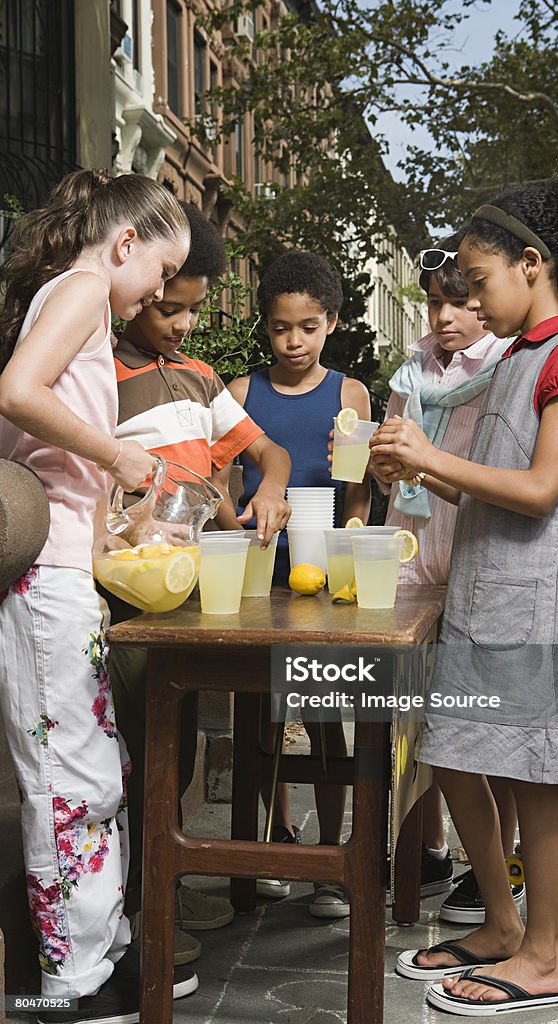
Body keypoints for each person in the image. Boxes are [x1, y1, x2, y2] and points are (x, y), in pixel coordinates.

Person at [371, 147, 558, 1015]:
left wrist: (429, 457)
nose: (463, 298)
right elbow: (483, 469)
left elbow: (539, 491)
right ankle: (499, 925)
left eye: (475, 278)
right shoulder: (515, 353)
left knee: (535, 778)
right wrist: (412, 461)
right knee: (452, 753)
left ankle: (542, 954)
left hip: (540, 607)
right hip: (485, 594)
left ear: (531, 265)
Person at [0, 169, 198, 1024]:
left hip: (64, 573)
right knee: (69, 775)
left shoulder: (71, 293)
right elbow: (15, 392)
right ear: (124, 245)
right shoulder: (82, 287)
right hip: (44, 582)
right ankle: (73, 982)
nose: (157, 293)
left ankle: (101, 950)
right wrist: (118, 458)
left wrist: (112, 523)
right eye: (158, 273)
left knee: (94, 769)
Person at [108, 201, 291, 964]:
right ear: (140, 287)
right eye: (170, 307)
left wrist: (264, 490)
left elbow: (268, 454)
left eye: (194, 310)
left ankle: (165, 888)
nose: (183, 324)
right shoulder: (101, 375)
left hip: (191, 592)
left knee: (176, 748)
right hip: (125, 599)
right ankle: (138, 910)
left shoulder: (199, 376)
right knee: (134, 749)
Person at [369, 234, 521, 916]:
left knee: (483, 724)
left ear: (486, 303)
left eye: (459, 303)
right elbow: (392, 459)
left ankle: (494, 866)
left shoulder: (505, 372)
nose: (444, 319)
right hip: (411, 556)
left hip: (471, 555)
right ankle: (424, 851)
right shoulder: (411, 374)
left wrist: (422, 460)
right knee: (412, 717)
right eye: (433, 304)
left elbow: (489, 481)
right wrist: (384, 464)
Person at [228, 250, 372, 918]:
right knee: (259, 710)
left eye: (308, 327)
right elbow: (222, 483)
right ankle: (275, 836)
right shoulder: (239, 393)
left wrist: (349, 549)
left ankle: (330, 854)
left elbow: (358, 491)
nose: (294, 340)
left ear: (331, 324)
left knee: (321, 711)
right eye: (282, 327)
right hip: (256, 574)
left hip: (321, 581)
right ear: (265, 325)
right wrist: (234, 522)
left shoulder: (348, 396)